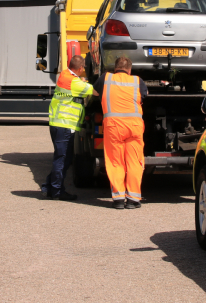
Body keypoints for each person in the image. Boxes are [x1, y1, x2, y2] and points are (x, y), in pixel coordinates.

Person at [92, 56, 148, 209]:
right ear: (129, 70)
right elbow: (143, 97)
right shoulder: (137, 81)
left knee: (115, 162)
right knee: (134, 162)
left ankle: (118, 199)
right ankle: (133, 199)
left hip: (114, 126)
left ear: (115, 68)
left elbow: (95, 93)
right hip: (134, 126)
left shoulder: (106, 78)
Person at [42, 55, 94, 201]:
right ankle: (57, 192)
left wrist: (81, 81)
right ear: (80, 68)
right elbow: (94, 91)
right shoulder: (74, 82)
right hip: (64, 125)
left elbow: (75, 85)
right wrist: (86, 83)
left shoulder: (64, 75)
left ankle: (49, 187)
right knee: (62, 159)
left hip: (57, 124)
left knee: (61, 158)